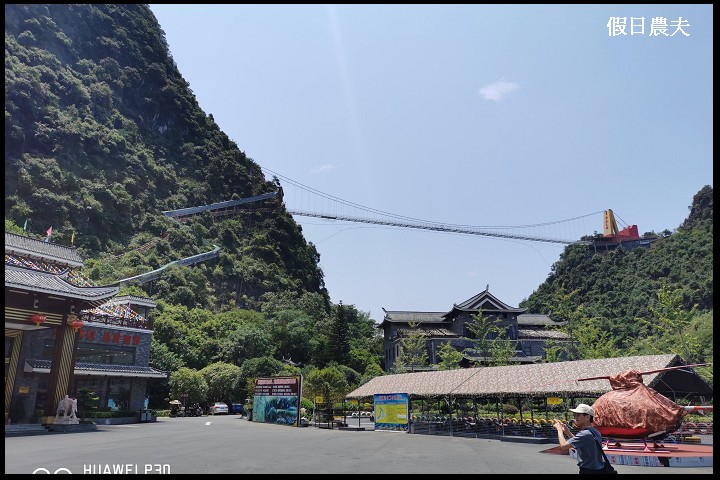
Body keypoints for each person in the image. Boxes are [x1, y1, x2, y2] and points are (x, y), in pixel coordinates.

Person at [553, 404, 607, 474]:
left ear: (587, 417)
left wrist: (559, 430)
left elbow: (563, 446)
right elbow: (578, 442)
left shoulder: (584, 434)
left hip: (588, 470)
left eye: (578, 415)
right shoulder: (594, 431)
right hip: (598, 469)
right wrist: (567, 432)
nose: (575, 417)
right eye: (575, 415)